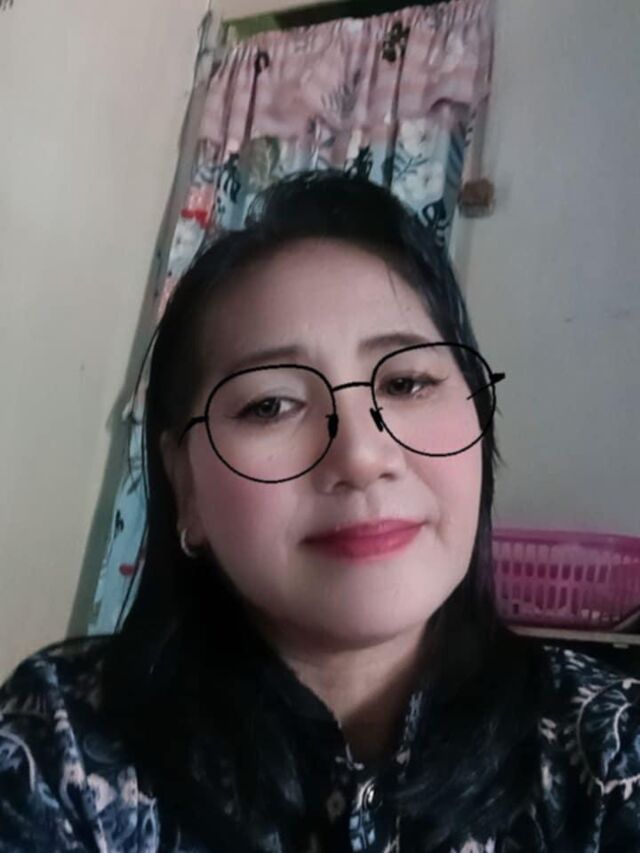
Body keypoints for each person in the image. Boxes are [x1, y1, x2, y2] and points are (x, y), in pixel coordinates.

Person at [1, 170, 639, 853]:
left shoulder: (608, 750)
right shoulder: (58, 750)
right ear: (185, 485)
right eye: (270, 404)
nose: (361, 454)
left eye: (407, 382)